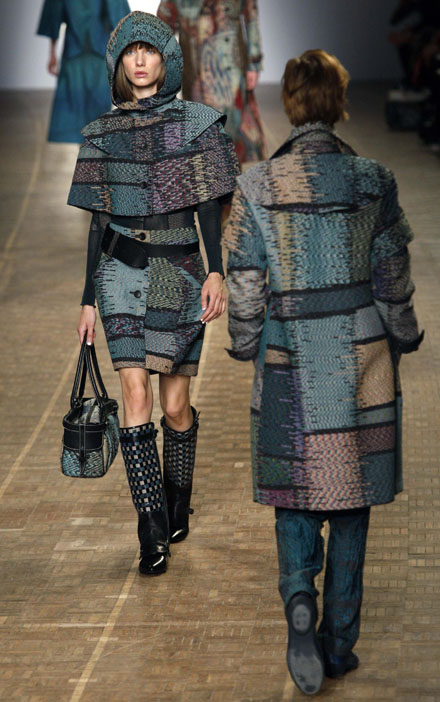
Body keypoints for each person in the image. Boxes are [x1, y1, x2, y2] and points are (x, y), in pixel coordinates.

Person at [223, 49, 423, 695]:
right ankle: (337, 643)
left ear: (290, 104)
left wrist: (247, 342)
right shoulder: (374, 180)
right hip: (361, 358)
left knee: (295, 495)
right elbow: (392, 279)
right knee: (353, 500)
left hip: (289, 355)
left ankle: (297, 597)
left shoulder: (256, 185)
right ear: (339, 103)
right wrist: (403, 335)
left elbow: (244, 281)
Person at [67, 11, 240, 576]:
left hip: (179, 270)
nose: (139, 60)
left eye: (149, 50)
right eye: (130, 52)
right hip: (119, 271)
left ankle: (176, 497)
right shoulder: (102, 134)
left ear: (167, 59)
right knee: (135, 395)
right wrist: (88, 299)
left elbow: (209, 205)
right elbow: (97, 222)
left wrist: (216, 272)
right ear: (119, 62)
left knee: (174, 405)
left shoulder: (197, 125)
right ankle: (150, 528)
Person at [156, 0, 266, 165]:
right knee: (201, 130)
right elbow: (164, 21)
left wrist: (254, 62)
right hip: (196, 69)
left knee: (230, 129)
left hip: (230, 67)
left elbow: (251, 16)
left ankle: (227, 173)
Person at [37, 0, 130, 143]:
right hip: (91, 50)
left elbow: (53, 15)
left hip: (81, 51)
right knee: (90, 104)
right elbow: (121, 18)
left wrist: (52, 53)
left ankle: (90, 146)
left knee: (83, 103)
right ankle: (91, 146)